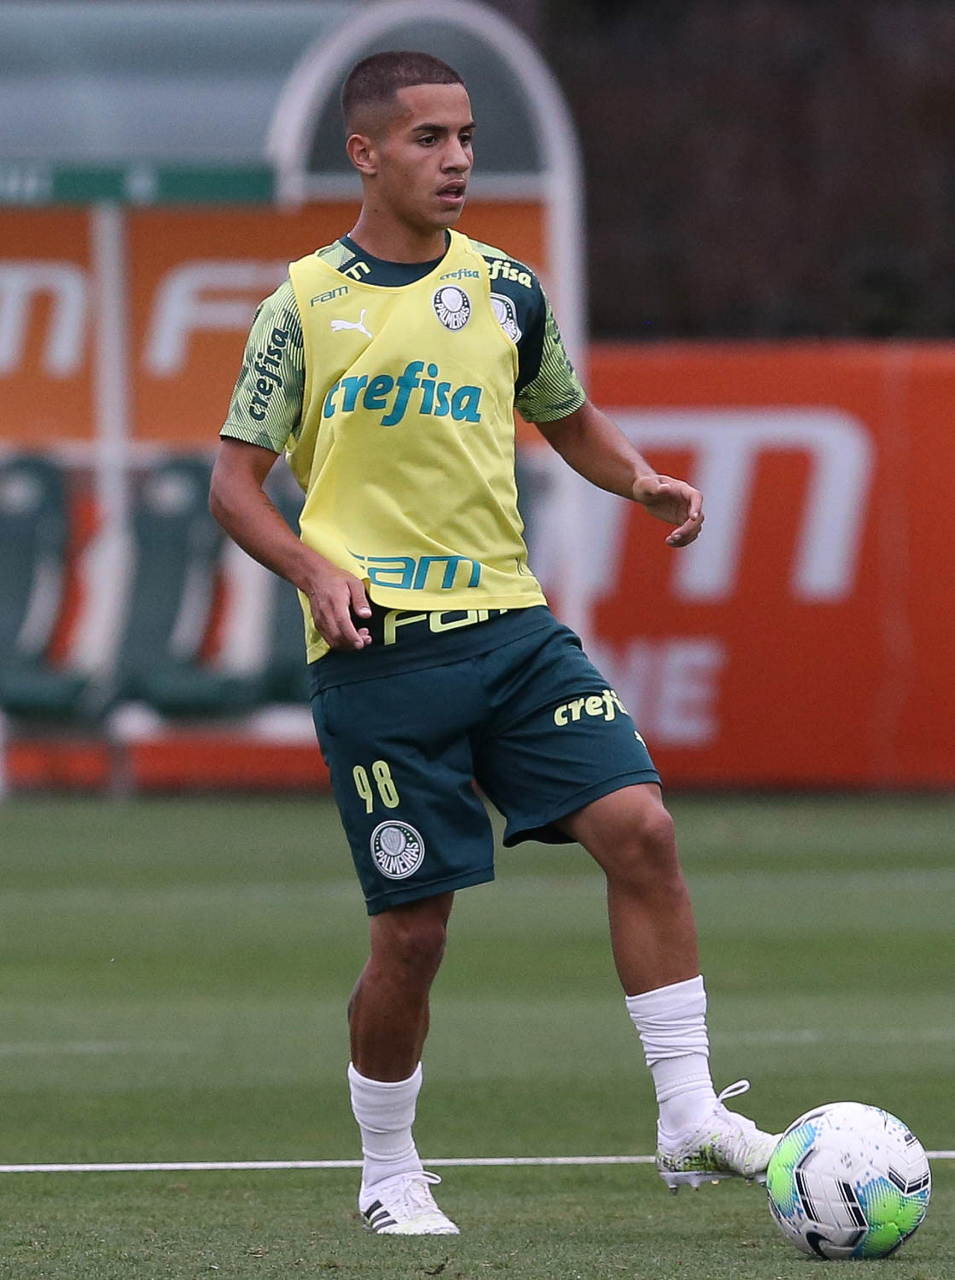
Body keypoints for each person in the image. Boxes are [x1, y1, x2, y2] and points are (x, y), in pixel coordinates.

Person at [210, 50, 777, 1236]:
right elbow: (233, 486)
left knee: (642, 829)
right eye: (428, 137)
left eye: (465, 135)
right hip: (381, 658)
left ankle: (688, 1113)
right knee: (413, 934)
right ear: (365, 154)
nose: (457, 157)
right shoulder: (302, 303)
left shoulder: (507, 288)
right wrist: (312, 567)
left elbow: (565, 415)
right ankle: (387, 1171)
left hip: (513, 631)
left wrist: (638, 478)